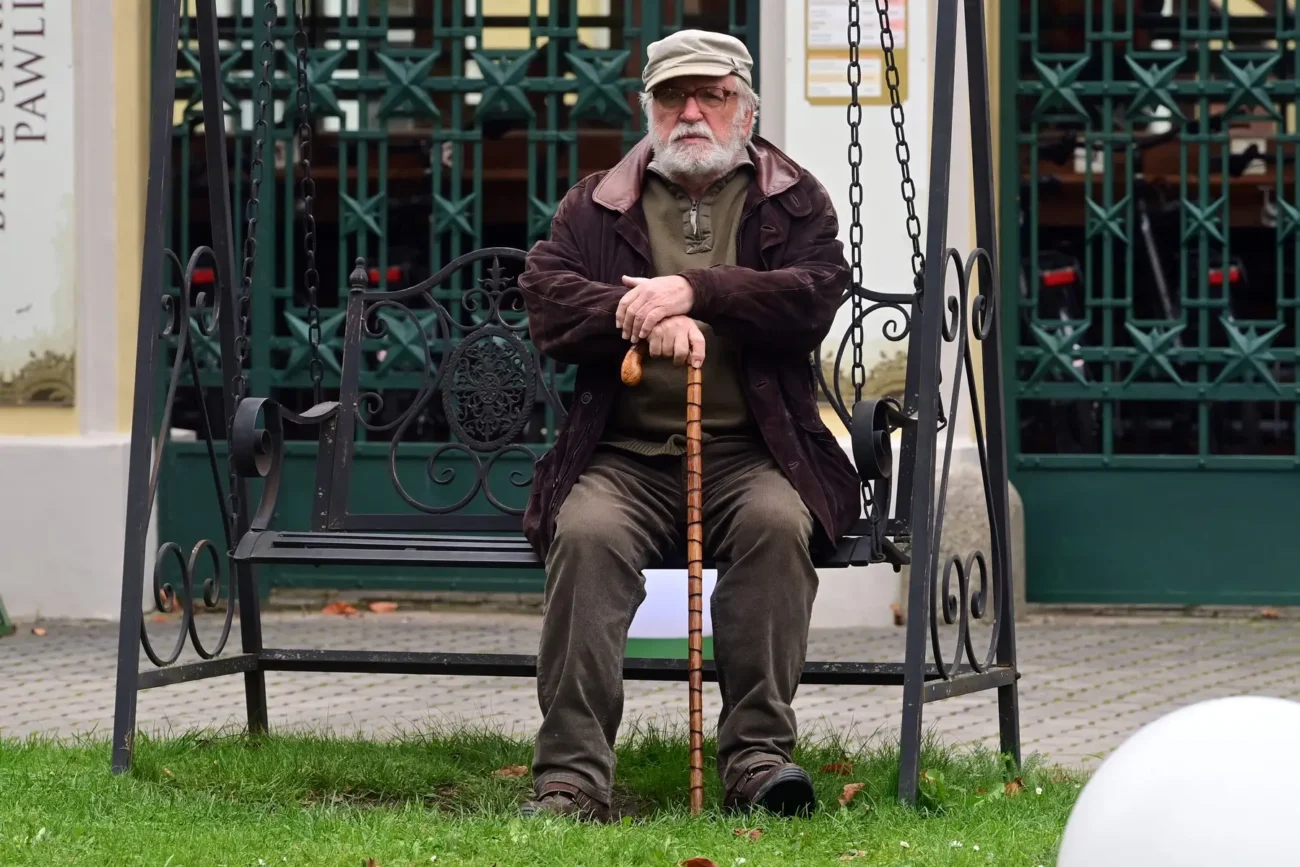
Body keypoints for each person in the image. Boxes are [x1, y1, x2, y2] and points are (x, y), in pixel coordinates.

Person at [516, 29, 860, 820]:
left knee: (780, 525)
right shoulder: (599, 201)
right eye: (673, 97)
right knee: (587, 536)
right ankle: (570, 778)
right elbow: (549, 298)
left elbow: (811, 294)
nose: (692, 112)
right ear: (650, 109)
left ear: (746, 105)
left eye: (711, 95)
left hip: (754, 451)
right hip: (624, 455)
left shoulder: (791, 197)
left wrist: (695, 292)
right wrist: (637, 313)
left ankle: (758, 759)